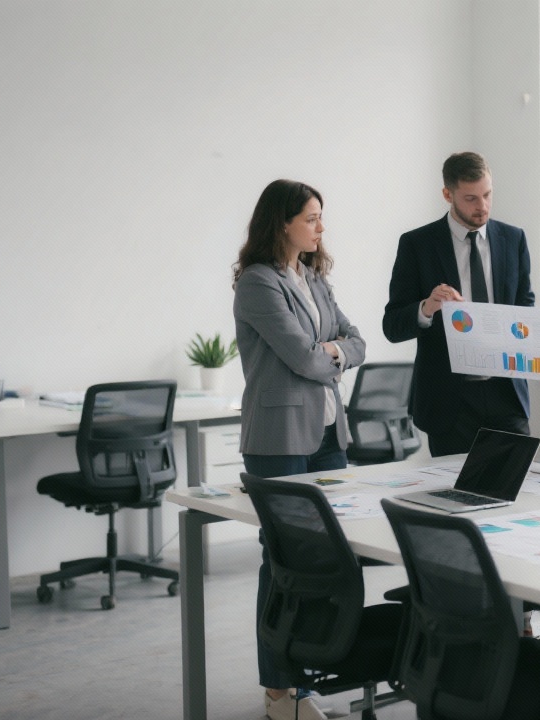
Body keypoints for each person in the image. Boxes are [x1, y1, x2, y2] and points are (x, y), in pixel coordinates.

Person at [233, 179, 365, 720]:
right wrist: (332, 351)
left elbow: (357, 340)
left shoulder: (312, 277)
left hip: (329, 435)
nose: (320, 226)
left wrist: (330, 348)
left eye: (320, 217)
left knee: (327, 559)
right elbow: (302, 359)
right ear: (282, 222)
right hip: (279, 440)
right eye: (311, 217)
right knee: (283, 562)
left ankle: (306, 679)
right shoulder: (257, 284)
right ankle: (278, 690)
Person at [382, 151, 534, 457]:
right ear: (447, 194)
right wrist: (426, 307)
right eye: (471, 199)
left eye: (488, 195)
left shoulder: (513, 239)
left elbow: (525, 307)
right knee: (454, 498)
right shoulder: (417, 245)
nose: (483, 207)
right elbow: (392, 326)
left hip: (506, 392)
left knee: (513, 489)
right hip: (449, 401)